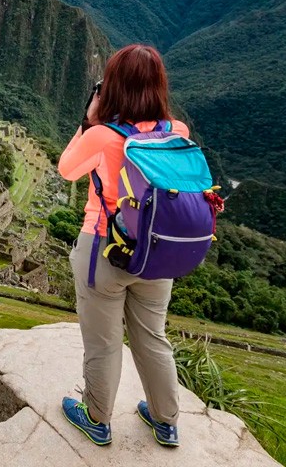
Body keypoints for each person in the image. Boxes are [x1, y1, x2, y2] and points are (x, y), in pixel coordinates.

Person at [57, 45, 185, 448]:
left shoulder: (102, 136)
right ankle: (166, 421)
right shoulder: (178, 133)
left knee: (103, 342)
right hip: (157, 254)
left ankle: (97, 419)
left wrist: (89, 120)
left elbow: (67, 169)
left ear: (110, 87)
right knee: (153, 337)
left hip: (104, 250)